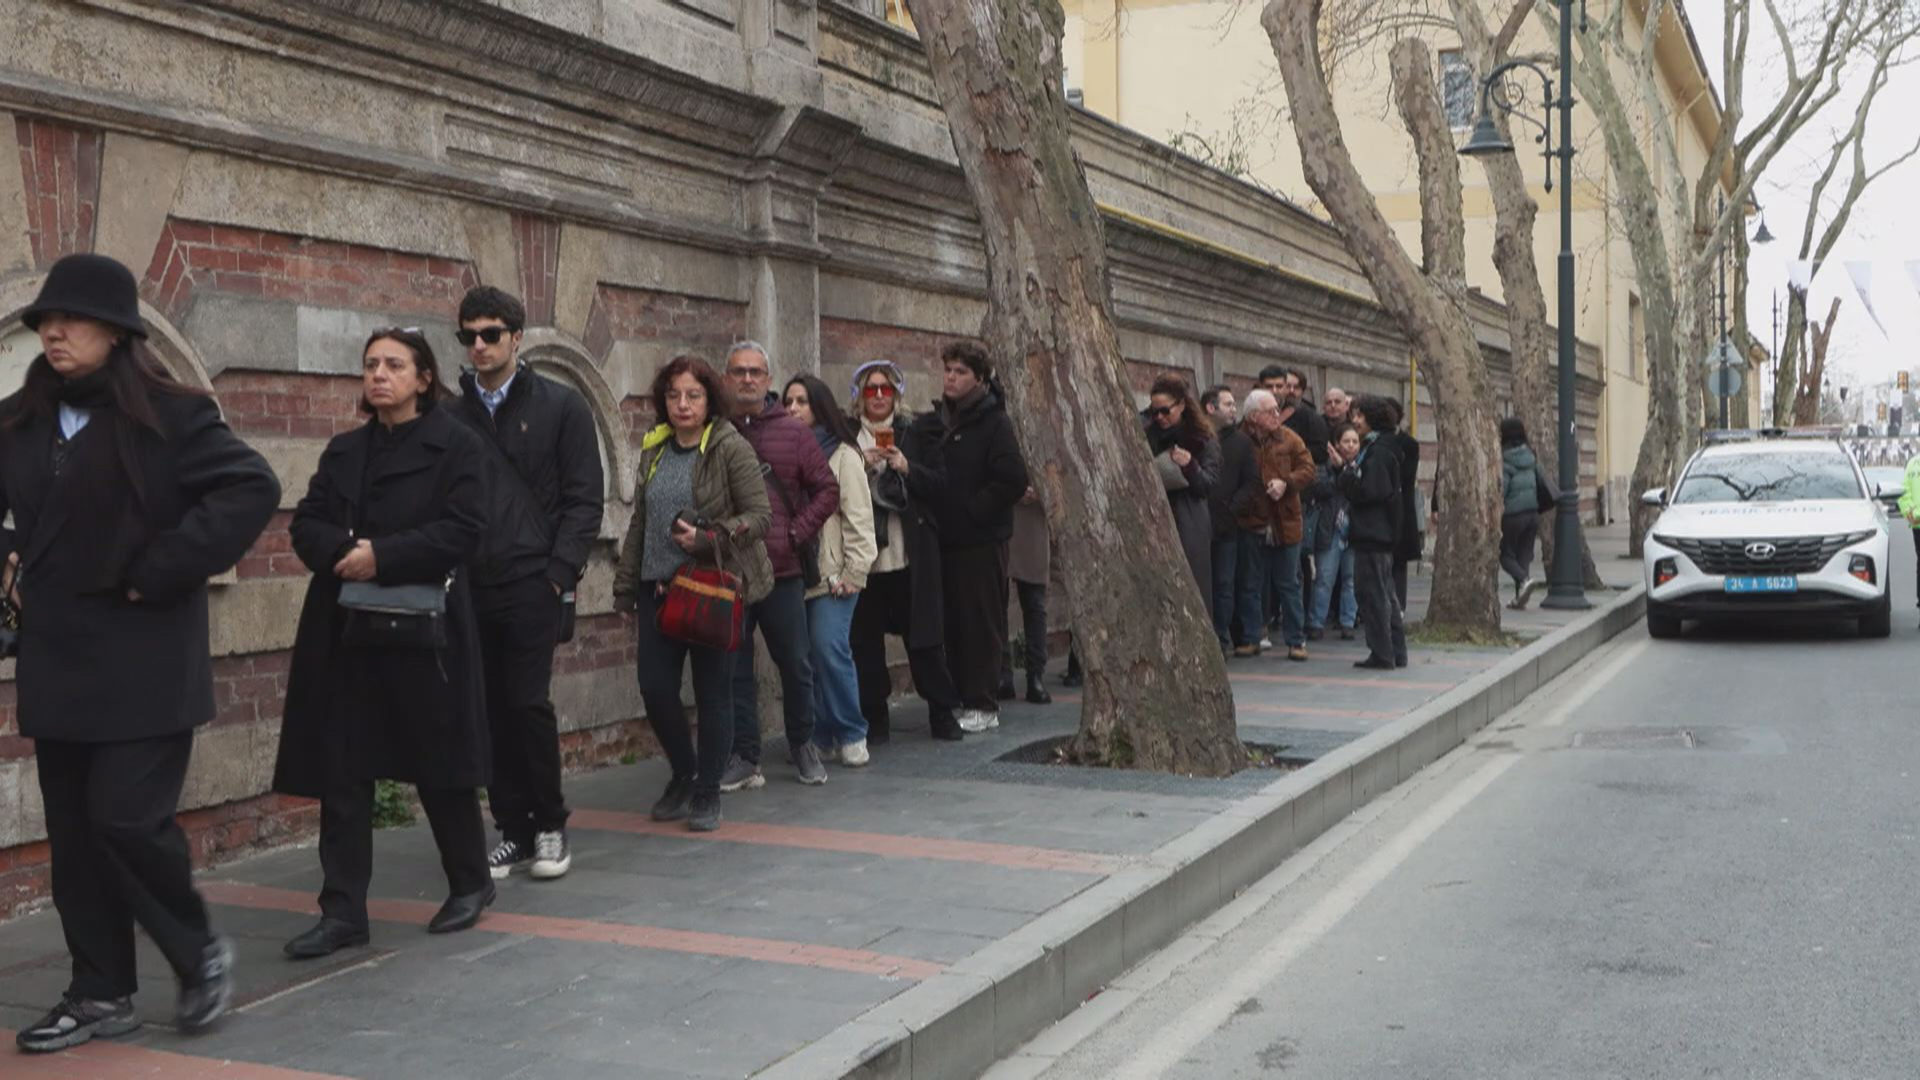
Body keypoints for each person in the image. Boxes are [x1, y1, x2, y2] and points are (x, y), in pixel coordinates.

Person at [1, 254, 279, 1052]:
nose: (54, 332)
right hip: (58, 661)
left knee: (127, 818)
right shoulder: (16, 420)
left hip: (146, 659)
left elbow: (250, 488)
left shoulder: (173, 415)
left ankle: (200, 956)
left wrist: (158, 570)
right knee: (77, 837)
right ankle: (99, 991)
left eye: (74, 320)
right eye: (45, 321)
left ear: (118, 333)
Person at [275, 328, 494, 960]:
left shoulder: (457, 445)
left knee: (440, 762)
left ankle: (471, 884)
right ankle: (342, 910)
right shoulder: (345, 450)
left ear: (423, 378)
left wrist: (385, 557)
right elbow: (308, 523)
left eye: (394, 365)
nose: (379, 375)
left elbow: (467, 530)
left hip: (425, 629)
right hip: (346, 629)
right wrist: (345, 554)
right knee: (343, 768)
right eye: (371, 364)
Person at [445, 286, 604, 884]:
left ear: (516, 337)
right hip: (469, 582)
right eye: (469, 336)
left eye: (490, 334)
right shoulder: (451, 413)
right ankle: (511, 827)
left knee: (526, 702)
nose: (479, 346)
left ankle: (550, 823)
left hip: (533, 580)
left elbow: (584, 501)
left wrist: (557, 575)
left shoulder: (562, 407)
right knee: (486, 708)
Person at [613, 355, 773, 832]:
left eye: (693, 395)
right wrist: (625, 587)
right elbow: (640, 521)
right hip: (659, 590)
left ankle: (707, 792)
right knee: (656, 689)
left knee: (713, 693)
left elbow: (759, 515)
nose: (682, 405)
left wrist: (711, 540)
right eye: (673, 395)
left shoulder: (729, 446)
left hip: (711, 590)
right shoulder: (655, 448)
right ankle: (684, 772)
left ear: (709, 400)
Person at [719, 341, 838, 789]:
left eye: (755, 372)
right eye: (738, 372)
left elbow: (827, 490)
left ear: (768, 380)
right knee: (733, 668)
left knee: (796, 663)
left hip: (782, 572)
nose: (747, 379)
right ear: (726, 378)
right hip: (729, 573)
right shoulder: (716, 429)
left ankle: (803, 744)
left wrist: (794, 534)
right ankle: (745, 755)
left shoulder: (793, 432)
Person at [906, 342, 1029, 733]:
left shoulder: (994, 422)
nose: (951, 378)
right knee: (953, 622)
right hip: (945, 538)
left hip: (981, 540)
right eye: (947, 371)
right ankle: (962, 695)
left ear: (979, 378)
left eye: (959, 372)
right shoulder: (940, 419)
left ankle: (983, 702)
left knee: (981, 622)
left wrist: (975, 510)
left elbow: (1012, 478)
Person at [847, 361, 966, 742]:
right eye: (870, 389)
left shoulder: (917, 430)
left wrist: (906, 466)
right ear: (859, 397)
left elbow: (944, 485)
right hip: (865, 560)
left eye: (885, 389)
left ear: (896, 395)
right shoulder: (847, 438)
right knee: (864, 644)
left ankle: (942, 712)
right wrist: (858, 467)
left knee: (925, 640)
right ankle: (875, 718)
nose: (878, 396)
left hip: (910, 553)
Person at [782, 374, 877, 766]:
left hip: (834, 576)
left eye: (801, 402)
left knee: (828, 648)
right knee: (805, 658)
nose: (792, 409)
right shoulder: (783, 453)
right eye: (788, 401)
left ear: (819, 407)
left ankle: (852, 732)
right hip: (793, 575)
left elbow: (859, 519)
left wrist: (854, 573)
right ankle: (820, 734)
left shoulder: (844, 455)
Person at [1237, 389, 1316, 660]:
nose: (1276, 415)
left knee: (1288, 584)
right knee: (1251, 583)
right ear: (1253, 416)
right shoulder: (1241, 440)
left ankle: (1296, 641)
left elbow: (1309, 469)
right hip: (1252, 520)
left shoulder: (1290, 439)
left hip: (1286, 521)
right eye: (1270, 411)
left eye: (1276, 409)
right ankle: (1252, 636)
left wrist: (1287, 482)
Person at [1143, 373, 1222, 619]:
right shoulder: (1145, 433)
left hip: (1189, 520)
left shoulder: (1203, 438)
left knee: (1192, 589)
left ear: (1182, 405)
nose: (1160, 418)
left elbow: (1208, 486)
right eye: (1154, 412)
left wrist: (1190, 466)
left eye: (1165, 411)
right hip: (1153, 519)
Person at [1341, 395, 1409, 670]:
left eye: (1359, 416)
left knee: (1373, 594)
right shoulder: (1381, 447)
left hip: (1373, 532)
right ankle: (1395, 650)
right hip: (1379, 532)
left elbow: (1371, 491)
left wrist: (1346, 476)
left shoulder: (1379, 451)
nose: (1354, 421)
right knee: (1385, 593)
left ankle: (1383, 653)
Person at [1204, 385, 1258, 652]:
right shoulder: (1198, 438)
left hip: (1227, 526)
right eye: (1227, 405)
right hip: (1197, 523)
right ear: (1210, 408)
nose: (1233, 409)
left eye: (1233, 405)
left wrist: (1231, 508)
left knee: (1224, 585)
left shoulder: (1242, 443)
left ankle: (1222, 637)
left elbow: (1251, 482)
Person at [999, 485, 1053, 704]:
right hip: (1003, 512)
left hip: (1035, 517)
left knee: (1035, 605)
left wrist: (1041, 489)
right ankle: (1002, 673)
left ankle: (1036, 675)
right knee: (995, 603)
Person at [1309, 424, 1361, 640]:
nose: (1350, 446)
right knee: (1324, 578)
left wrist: (1347, 471)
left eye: (1355, 441)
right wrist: (1340, 471)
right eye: (1346, 441)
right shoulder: (1324, 466)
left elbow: (1360, 491)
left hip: (1355, 529)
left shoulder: (1363, 465)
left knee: (1351, 578)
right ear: (1337, 443)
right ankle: (1315, 622)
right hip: (1330, 528)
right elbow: (1320, 489)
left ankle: (1348, 621)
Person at [1499, 416, 1544, 610]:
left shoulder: (1505, 460)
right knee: (1524, 555)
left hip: (1513, 515)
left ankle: (1524, 580)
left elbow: (1503, 490)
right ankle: (1520, 597)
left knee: (1505, 555)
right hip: (1533, 513)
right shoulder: (1531, 456)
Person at [1385, 398, 1424, 608]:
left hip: (1401, 508)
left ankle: (1398, 604)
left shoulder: (1408, 444)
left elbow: (1407, 476)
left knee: (1398, 561)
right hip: (1381, 510)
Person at [1898, 449, 1920, 621]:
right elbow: (1904, 493)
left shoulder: (1912, 463)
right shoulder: (1913, 464)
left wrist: (1909, 511)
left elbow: (1903, 493)